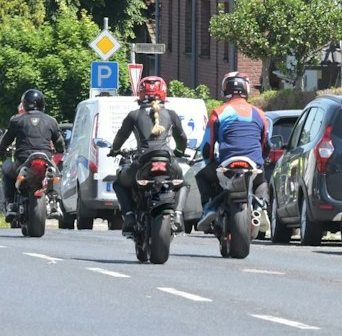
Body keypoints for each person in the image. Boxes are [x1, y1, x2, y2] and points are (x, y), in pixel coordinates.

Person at [108, 76, 188, 233]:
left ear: (140, 94)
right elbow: (182, 138)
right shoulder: (171, 114)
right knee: (182, 183)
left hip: (143, 162)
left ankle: (130, 217)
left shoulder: (134, 115)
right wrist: (179, 152)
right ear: (164, 93)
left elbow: (121, 136)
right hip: (168, 161)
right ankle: (178, 215)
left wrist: (114, 149)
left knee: (119, 183)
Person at [197, 71, 270, 221]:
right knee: (261, 180)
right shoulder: (260, 114)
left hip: (227, 163)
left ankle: (210, 207)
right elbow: (265, 144)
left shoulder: (218, 112)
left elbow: (207, 146)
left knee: (202, 176)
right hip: (253, 163)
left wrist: (209, 161)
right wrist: (259, 159)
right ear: (247, 89)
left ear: (225, 88)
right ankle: (261, 206)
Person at [0, 89, 64, 217]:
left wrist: (1, 150)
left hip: (23, 160)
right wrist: (61, 150)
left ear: (24, 104)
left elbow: (6, 139)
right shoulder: (51, 121)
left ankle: (11, 203)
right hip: (45, 158)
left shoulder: (17, 120)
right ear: (42, 103)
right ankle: (54, 202)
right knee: (56, 172)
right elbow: (59, 141)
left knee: (6, 169)